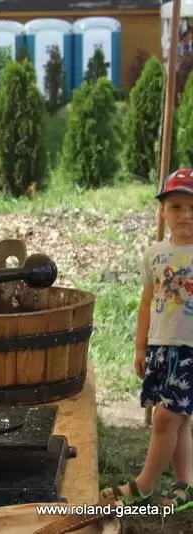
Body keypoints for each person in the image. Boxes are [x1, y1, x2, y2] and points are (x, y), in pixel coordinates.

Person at [100, 168, 193, 512]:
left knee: (165, 418)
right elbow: (146, 302)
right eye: (176, 207)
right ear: (163, 211)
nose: (185, 215)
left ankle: (143, 485)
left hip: (190, 352)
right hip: (160, 347)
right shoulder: (155, 253)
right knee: (179, 420)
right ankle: (185, 485)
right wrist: (141, 346)